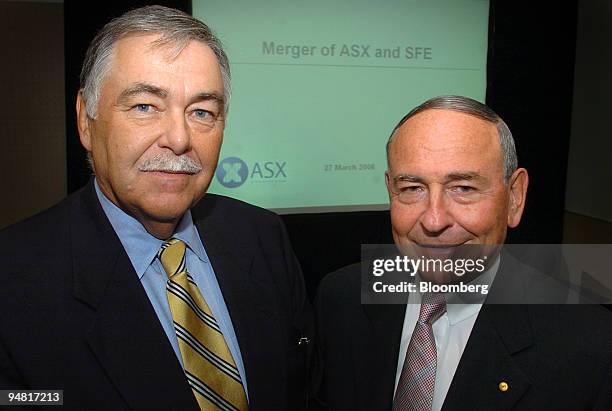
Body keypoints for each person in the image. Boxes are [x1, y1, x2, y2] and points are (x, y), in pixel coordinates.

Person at [0, 6, 313, 411]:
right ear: (85, 120)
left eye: (202, 112)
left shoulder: (261, 235)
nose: (179, 139)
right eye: (145, 106)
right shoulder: (13, 280)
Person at [314, 96, 612, 410]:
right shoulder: (340, 299)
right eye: (412, 188)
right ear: (391, 190)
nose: (433, 220)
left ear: (514, 198)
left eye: (464, 188)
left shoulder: (590, 347)